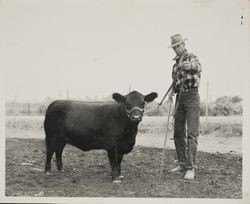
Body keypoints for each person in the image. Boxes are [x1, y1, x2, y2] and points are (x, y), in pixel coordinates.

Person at [168, 34, 202, 180]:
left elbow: (198, 67)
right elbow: (175, 83)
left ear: (183, 45)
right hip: (179, 98)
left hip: (192, 97)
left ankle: (191, 168)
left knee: (191, 134)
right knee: (178, 132)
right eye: (174, 47)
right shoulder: (175, 64)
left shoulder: (192, 57)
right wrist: (171, 93)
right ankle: (182, 163)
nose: (177, 49)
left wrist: (191, 66)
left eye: (179, 46)